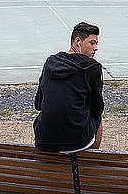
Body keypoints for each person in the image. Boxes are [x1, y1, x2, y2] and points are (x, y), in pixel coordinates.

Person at [33, 22, 104, 153]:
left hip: (44, 139)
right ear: (78, 41)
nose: (96, 48)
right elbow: (97, 107)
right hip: (78, 141)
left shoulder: (50, 62)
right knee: (98, 116)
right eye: (92, 43)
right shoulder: (92, 67)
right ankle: (92, 161)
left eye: (96, 44)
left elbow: (38, 104)